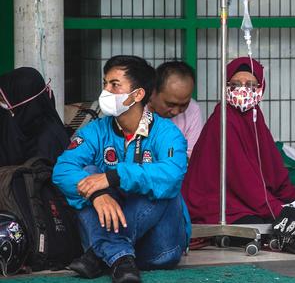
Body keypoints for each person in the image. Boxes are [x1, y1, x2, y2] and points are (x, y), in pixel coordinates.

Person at [53, 56, 190, 283]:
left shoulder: (167, 133)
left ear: (137, 94)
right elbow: (63, 169)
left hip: (158, 250)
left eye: (114, 85)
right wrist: (97, 194)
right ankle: (120, 257)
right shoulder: (95, 131)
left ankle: (103, 253)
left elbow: (172, 175)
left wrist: (114, 176)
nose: (105, 90)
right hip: (117, 256)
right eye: (105, 83)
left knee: (162, 185)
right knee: (86, 173)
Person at [182, 57, 295, 225]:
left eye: (250, 85)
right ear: (226, 87)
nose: (242, 90)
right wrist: (278, 208)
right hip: (217, 204)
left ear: (261, 88)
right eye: (235, 84)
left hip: (248, 200)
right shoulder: (222, 120)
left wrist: (294, 196)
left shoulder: (256, 119)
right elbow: (243, 179)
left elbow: (273, 169)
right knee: (264, 222)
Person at [0, 67, 68, 167]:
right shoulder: (21, 125)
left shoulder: (47, 139)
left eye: (4, 99)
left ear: (20, 98)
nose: (2, 103)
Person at [148, 61, 204, 158]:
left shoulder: (193, 109)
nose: (176, 111)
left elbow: (191, 157)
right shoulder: (136, 108)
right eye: (170, 104)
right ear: (153, 92)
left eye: (184, 105)